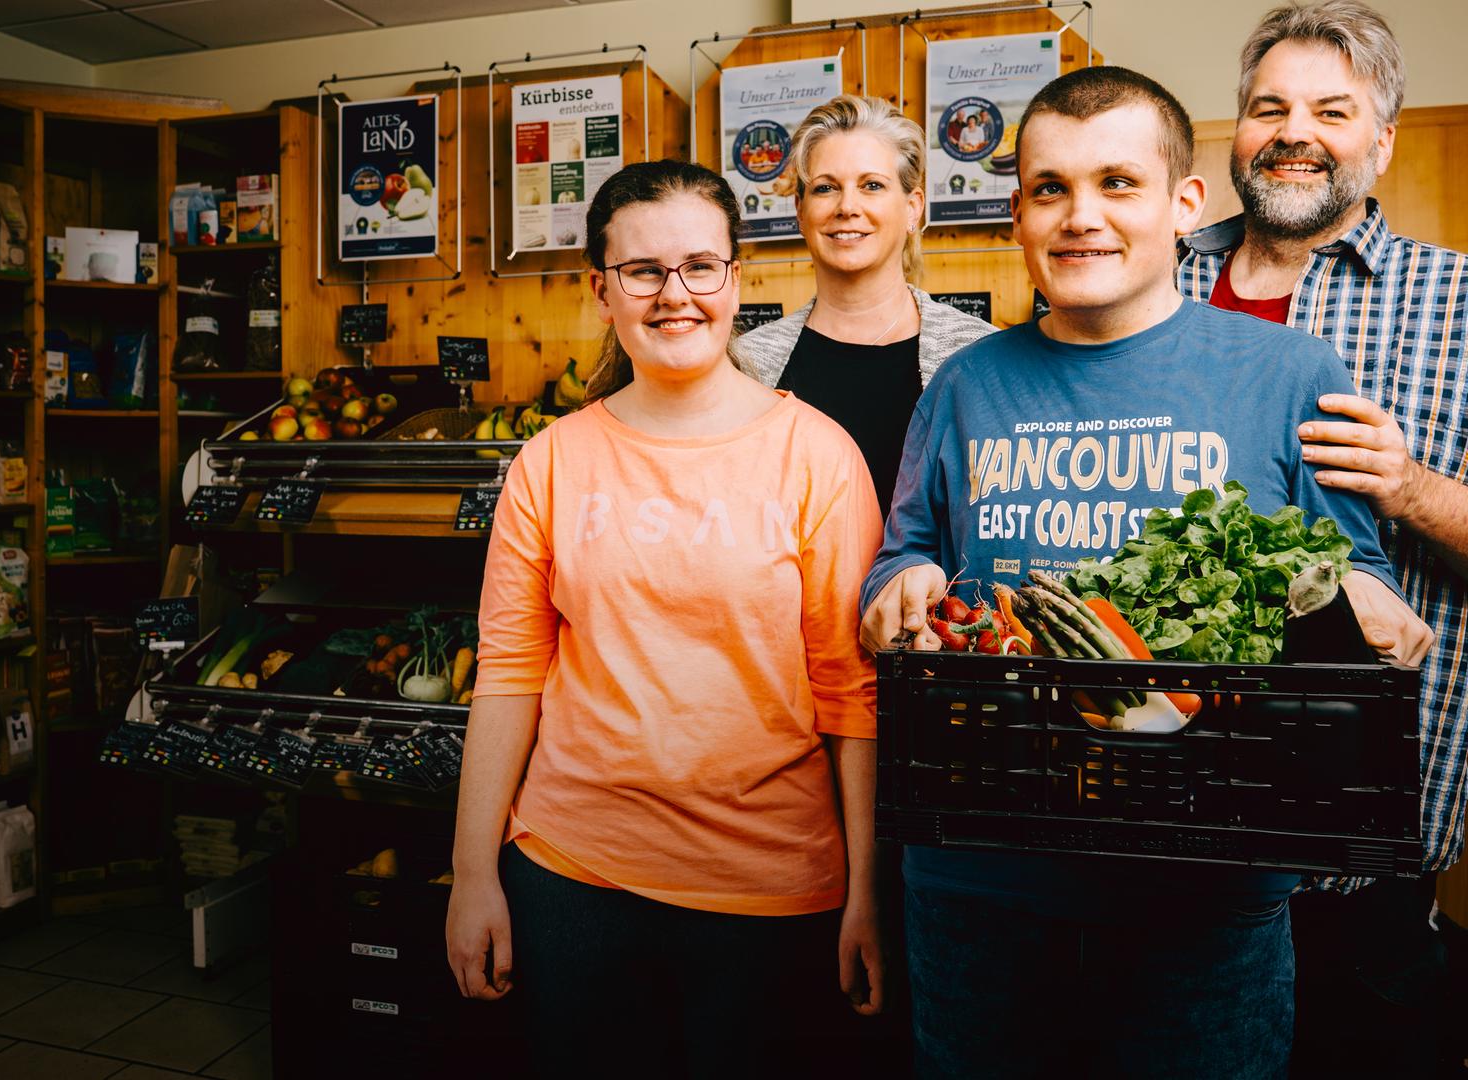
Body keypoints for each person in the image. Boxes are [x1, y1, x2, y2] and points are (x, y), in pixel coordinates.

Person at [858, 65, 1430, 1078]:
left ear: (1185, 202)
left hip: (1207, 909)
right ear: (1018, 211)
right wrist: (891, 598)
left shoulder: (1293, 375)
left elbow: (1357, 582)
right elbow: (906, 557)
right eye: (1050, 188)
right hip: (978, 895)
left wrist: (1364, 612)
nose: (1081, 217)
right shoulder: (962, 384)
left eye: (1118, 183)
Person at [444, 160, 885, 1076]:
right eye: (642, 271)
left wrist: (868, 892)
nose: (673, 294)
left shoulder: (819, 457)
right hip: (572, 877)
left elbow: (853, 695)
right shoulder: (551, 462)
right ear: (601, 290)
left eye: (699, 267)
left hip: (770, 887)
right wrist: (474, 873)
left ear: (737, 279)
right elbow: (510, 675)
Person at [1174, 2, 1466, 1072]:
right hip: (1154, 816)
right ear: (1235, 130)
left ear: (1382, 138)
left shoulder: (1458, 301)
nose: (1295, 131)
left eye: (1332, 111)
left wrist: (1412, 489)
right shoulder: (1147, 273)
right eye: (1270, 108)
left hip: (1357, 845)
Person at [735, 95, 994, 516]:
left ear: (913, 208)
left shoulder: (978, 354)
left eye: (872, 185)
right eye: (825, 188)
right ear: (800, 211)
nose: (847, 207)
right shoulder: (748, 365)